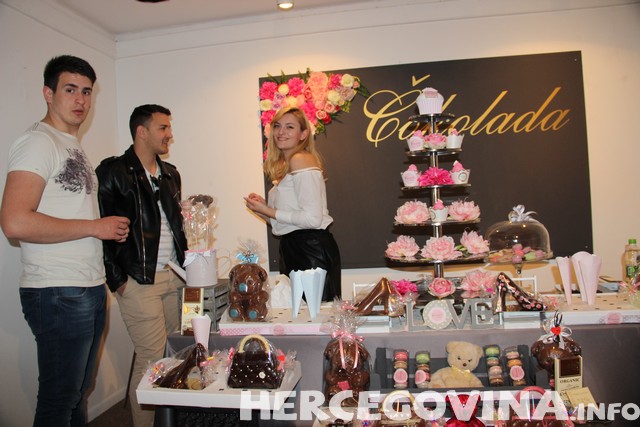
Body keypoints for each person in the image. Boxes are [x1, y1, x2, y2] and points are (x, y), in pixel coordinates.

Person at [0, 55, 130, 427]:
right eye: (70, 90)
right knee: (58, 401)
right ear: (48, 93)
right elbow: (14, 222)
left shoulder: (69, 143)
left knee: (76, 394)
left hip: (86, 285)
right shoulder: (38, 142)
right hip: (57, 290)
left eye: (87, 92)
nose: (80, 100)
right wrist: (95, 227)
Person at [95, 104, 188, 427]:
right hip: (138, 280)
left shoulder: (170, 173)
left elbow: (175, 226)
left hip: (174, 277)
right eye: (163, 127)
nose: (169, 134)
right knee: (152, 359)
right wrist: (117, 279)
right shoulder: (114, 172)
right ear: (141, 131)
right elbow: (100, 228)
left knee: (174, 354)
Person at [245, 106, 341, 301]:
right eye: (277, 126)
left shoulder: (300, 159)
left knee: (314, 316)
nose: (281, 132)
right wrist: (262, 210)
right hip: (294, 248)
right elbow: (288, 225)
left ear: (303, 134)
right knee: (297, 315)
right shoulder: (286, 165)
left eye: (290, 127)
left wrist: (269, 210)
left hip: (310, 250)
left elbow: (312, 220)